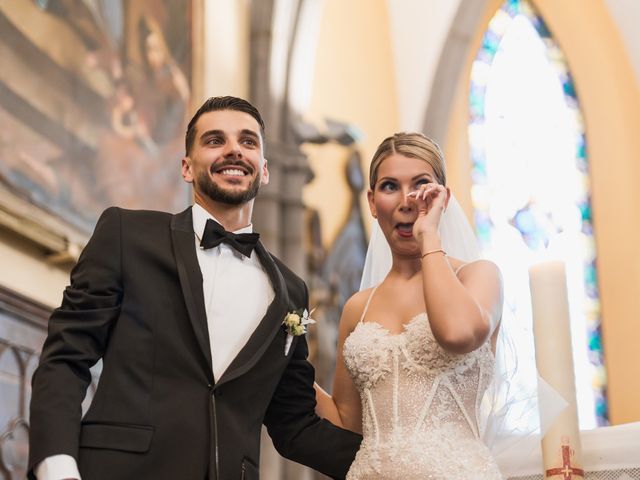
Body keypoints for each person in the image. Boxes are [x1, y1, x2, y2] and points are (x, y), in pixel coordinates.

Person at [28, 96, 361, 480]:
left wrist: (395, 462)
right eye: (215, 140)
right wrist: (57, 467)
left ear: (264, 170)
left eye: (248, 141)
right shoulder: (127, 236)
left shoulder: (291, 291)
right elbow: (65, 359)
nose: (234, 149)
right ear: (187, 167)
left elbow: (296, 425)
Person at [314, 132, 504, 479]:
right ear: (372, 202)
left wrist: (428, 235)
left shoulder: (479, 276)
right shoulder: (358, 306)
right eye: (390, 187)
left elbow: (458, 333)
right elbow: (346, 423)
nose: (407, 201)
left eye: (421, 185)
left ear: (444, 198)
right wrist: (285, 363)